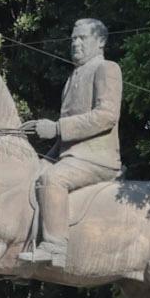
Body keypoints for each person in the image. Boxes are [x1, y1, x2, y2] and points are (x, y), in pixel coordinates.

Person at [21, 17, 124, 267]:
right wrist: (45, 159)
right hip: (70, 157)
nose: (75, 43)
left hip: (97, 158)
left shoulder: (107, 68)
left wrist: (56, 128)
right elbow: (68, 139)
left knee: (52, 179)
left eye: (82, 38)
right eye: (73, 39)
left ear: (100, 42)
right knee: (29, 177)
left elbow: (107, 116)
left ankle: (56, 247)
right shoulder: (71, 79)